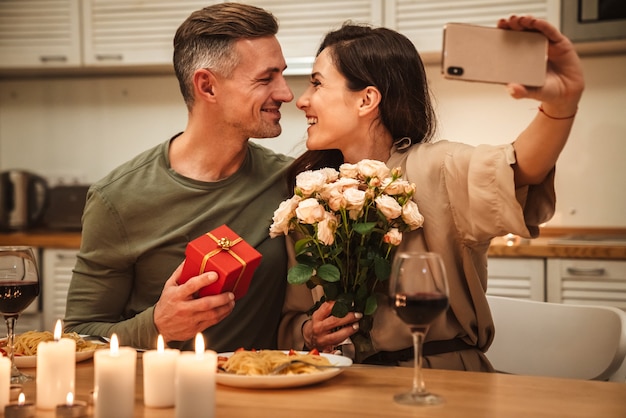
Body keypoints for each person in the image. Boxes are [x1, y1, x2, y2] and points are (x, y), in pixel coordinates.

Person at [278, 15, 584, 371]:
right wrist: (310, 331)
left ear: (366, 100)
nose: (302, 100)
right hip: (344, 382)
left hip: (444, 381)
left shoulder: (438, 168)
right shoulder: (310, 196)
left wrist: (561, 106)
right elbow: (294, 316)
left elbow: (520, 167)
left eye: (316, 84)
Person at [64, 3, 295, 352]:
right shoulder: (117, 199)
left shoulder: (290, 181)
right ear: (208, 86)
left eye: (282, 75)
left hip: (266, 395)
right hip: (164, 399)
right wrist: (157, 323)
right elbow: (77, 336)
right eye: (266, 78)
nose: (286, 93)